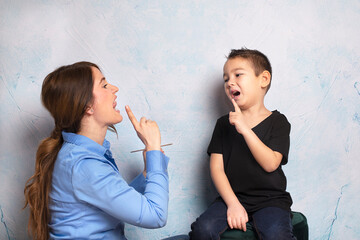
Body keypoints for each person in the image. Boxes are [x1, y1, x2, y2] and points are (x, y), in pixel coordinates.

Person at [24, 62, 170, 240]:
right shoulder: (84, 165)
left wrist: (148, 173)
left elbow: (114, 200)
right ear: (87, 106)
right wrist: (153, 147)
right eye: (104, 85)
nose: (114, 89)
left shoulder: (80, 156)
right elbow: (156, 216)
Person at [189, 48, 296, 240]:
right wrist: (233, 204)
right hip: (232, 196)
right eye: (226, 78)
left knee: (277, 235)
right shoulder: (223, 124)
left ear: (263, 79)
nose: (230, 82)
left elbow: (271, 163)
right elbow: (217, 169)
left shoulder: (278, 122)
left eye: (238, 74)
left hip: (271, 201)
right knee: (202, 230)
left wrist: (245, 128)